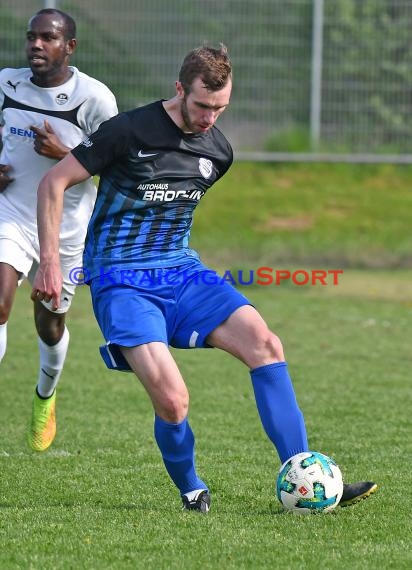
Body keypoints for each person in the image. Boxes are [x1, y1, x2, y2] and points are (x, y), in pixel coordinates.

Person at [31, 44, 377, 511]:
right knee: (173, 401)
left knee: (266, 345)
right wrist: (51, 261)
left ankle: (303, 474)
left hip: (182, 271)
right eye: (202, 106)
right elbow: (53, 182)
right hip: (122, 280)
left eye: (220, 108)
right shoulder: (128, 130)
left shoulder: (219, 153)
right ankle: (192, 488)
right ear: (179, 90)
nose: (210, 118)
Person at [0, 9, 118, 452]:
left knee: (49, 326)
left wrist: (66, 152)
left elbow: (117, 170)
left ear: (69, 46)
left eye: (47, 38)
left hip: (67, 231)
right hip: (9, 213)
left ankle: (45, 396)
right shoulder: (6, 84)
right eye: (31, 37)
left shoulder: (94, 99)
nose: (36, 45)